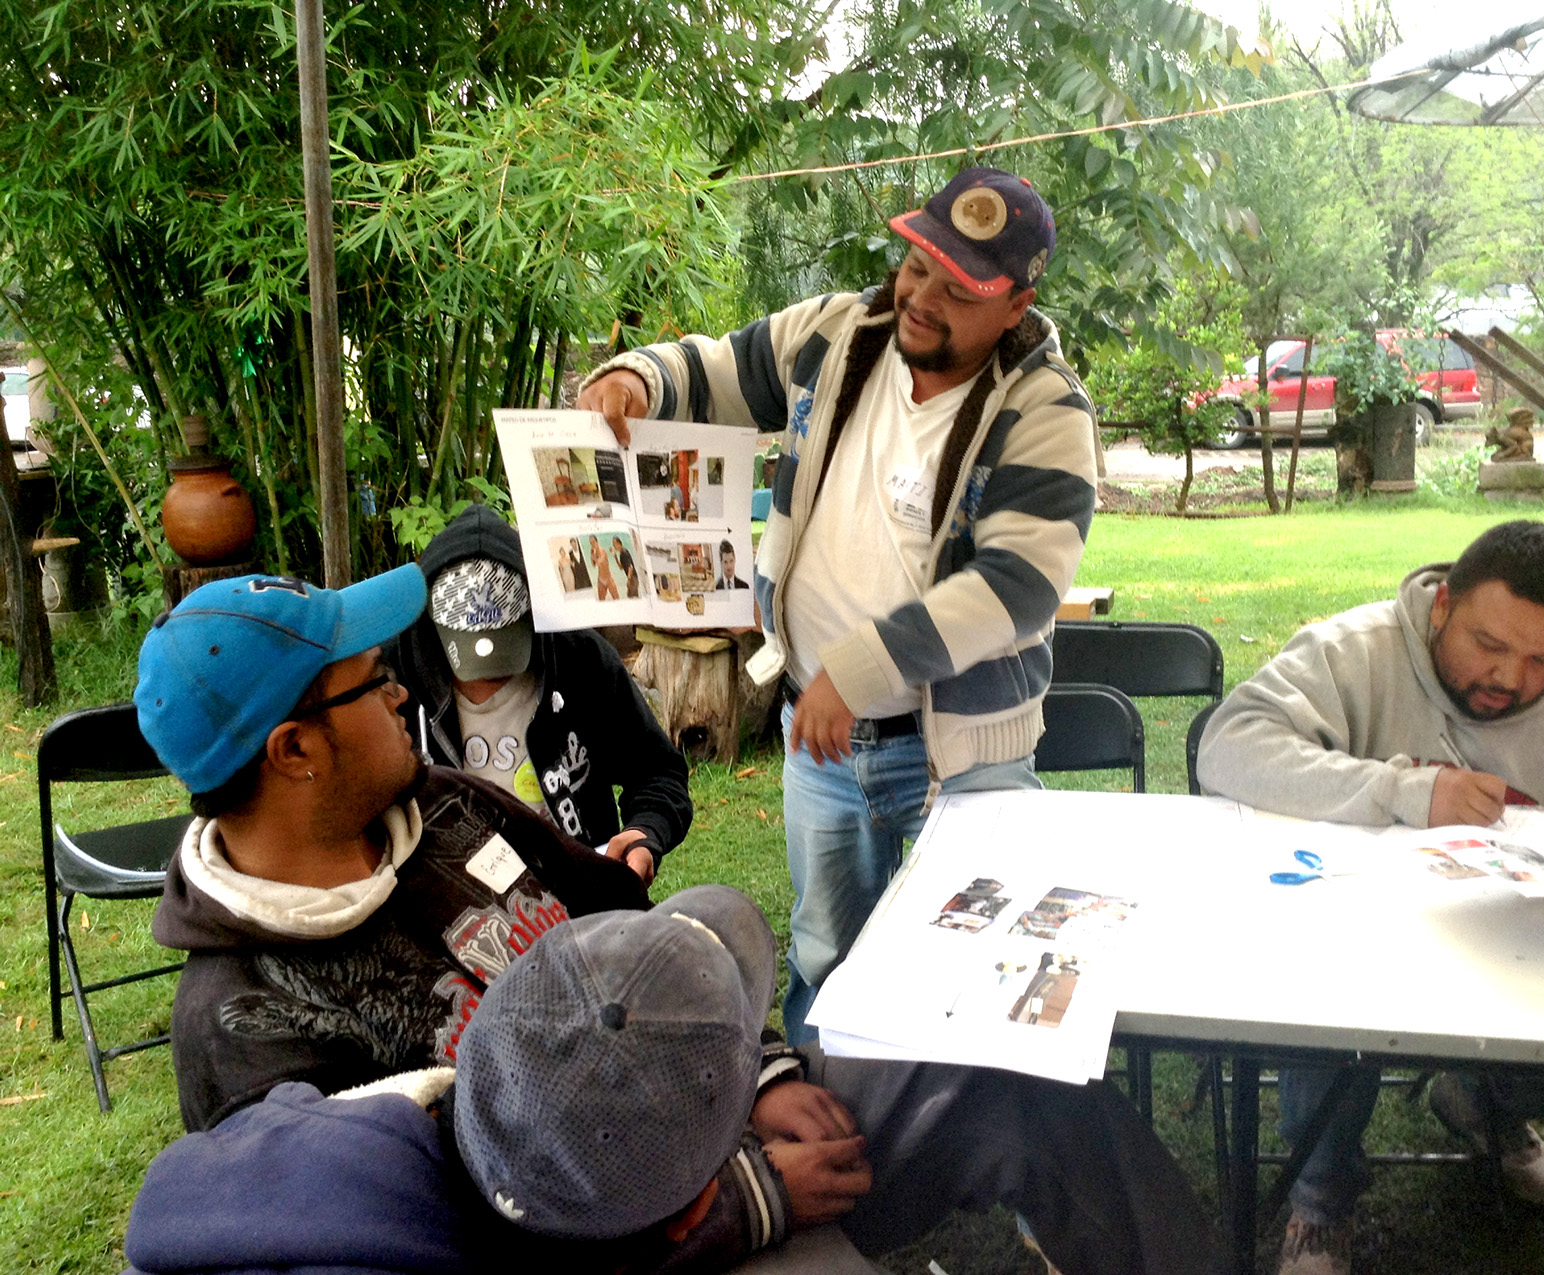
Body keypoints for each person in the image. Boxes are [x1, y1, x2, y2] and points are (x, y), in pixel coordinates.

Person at [577, 167, 1098, 1042]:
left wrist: (855, 671)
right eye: (917, 264)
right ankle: (827, 1114)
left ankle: (950, 1123)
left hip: (964, 751)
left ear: (1016, 303)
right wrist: (637, 378)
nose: (921, 298)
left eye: (959, 288)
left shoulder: (1046, 410)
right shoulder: (836, 334)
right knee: (825, 958)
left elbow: (1016, 586)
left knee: (979, 972)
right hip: (819, 738)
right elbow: (719, 369)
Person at [124, 883, 1231, 1275]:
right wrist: (754, 1200)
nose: (399, 690)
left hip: (592, 1203)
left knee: (998, 1074)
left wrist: (760, 1070)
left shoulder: (356, 1127)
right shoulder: (241, 1021)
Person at [1194, 519, 1544, 1275]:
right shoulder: (1352, 651)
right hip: (1348, 939)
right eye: (1489, 644)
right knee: (1325, 998)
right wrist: (1404, 790)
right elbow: (1229, 744)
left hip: (1509, 957)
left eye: (1543, 658)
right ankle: (1319, 1204)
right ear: (1442, 605)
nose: (1511, 678)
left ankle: (1485, 1100)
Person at [134, 567, 653, 1132]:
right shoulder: (245, 1032)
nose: (400, 694)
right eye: (377, 679)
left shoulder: (447, 801)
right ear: (295, 749)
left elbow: (627, 923)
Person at [389, 505, 691, 882]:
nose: (490, 675)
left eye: (504, 650)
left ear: (532, 616)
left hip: (575, 893)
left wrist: (644, 833)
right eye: (469, 657)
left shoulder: (579, 659)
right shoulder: (393, 683)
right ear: (433, 628)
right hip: (448, 900)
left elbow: (657, 770)